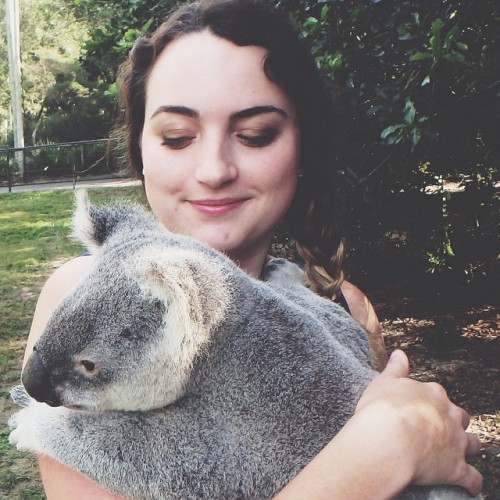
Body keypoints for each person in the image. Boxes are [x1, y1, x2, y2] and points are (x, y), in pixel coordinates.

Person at [22, 0, 482, 498]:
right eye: (177, 137)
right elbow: (376, 451)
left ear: (302, 148)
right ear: (140, 154)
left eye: (255, 135)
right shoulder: (90, 300)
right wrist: (383, 449)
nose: (214, 170)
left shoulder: (340, 302)